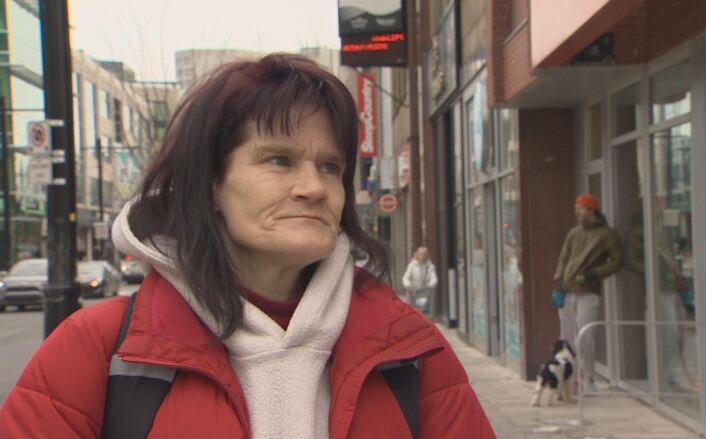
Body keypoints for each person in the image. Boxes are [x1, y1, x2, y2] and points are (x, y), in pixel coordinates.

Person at [0, 54, 495, 438]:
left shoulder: (410, 349)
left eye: (330, 166)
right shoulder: (101, 349)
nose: (314, 187)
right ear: (211, 182)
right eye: (279, 160)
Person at [552, 193, 623, 391]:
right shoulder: (574, 233)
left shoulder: (606, 235)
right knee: (566, 338)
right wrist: (558, 282)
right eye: (577, 208)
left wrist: (595, 274)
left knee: (585, 336)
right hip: (567, 291)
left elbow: (617, 261)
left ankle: (588, 378)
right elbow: (563, 258)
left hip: (588, 291)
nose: (578, 211)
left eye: (581, 208)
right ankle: (571, 377)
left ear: (592, 210)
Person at [402, 246, 438, 314]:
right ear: (417, 255)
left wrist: (431, 284)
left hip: (424, 292)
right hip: (413, 292)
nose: (423, 256)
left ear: (427, 255)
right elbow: (405, 277)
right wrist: (407, 284)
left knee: (423, 311)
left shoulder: (430, 266)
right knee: (413, 311)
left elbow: (434, 278)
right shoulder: (412, 265)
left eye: (425, 254)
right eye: (421, 254)